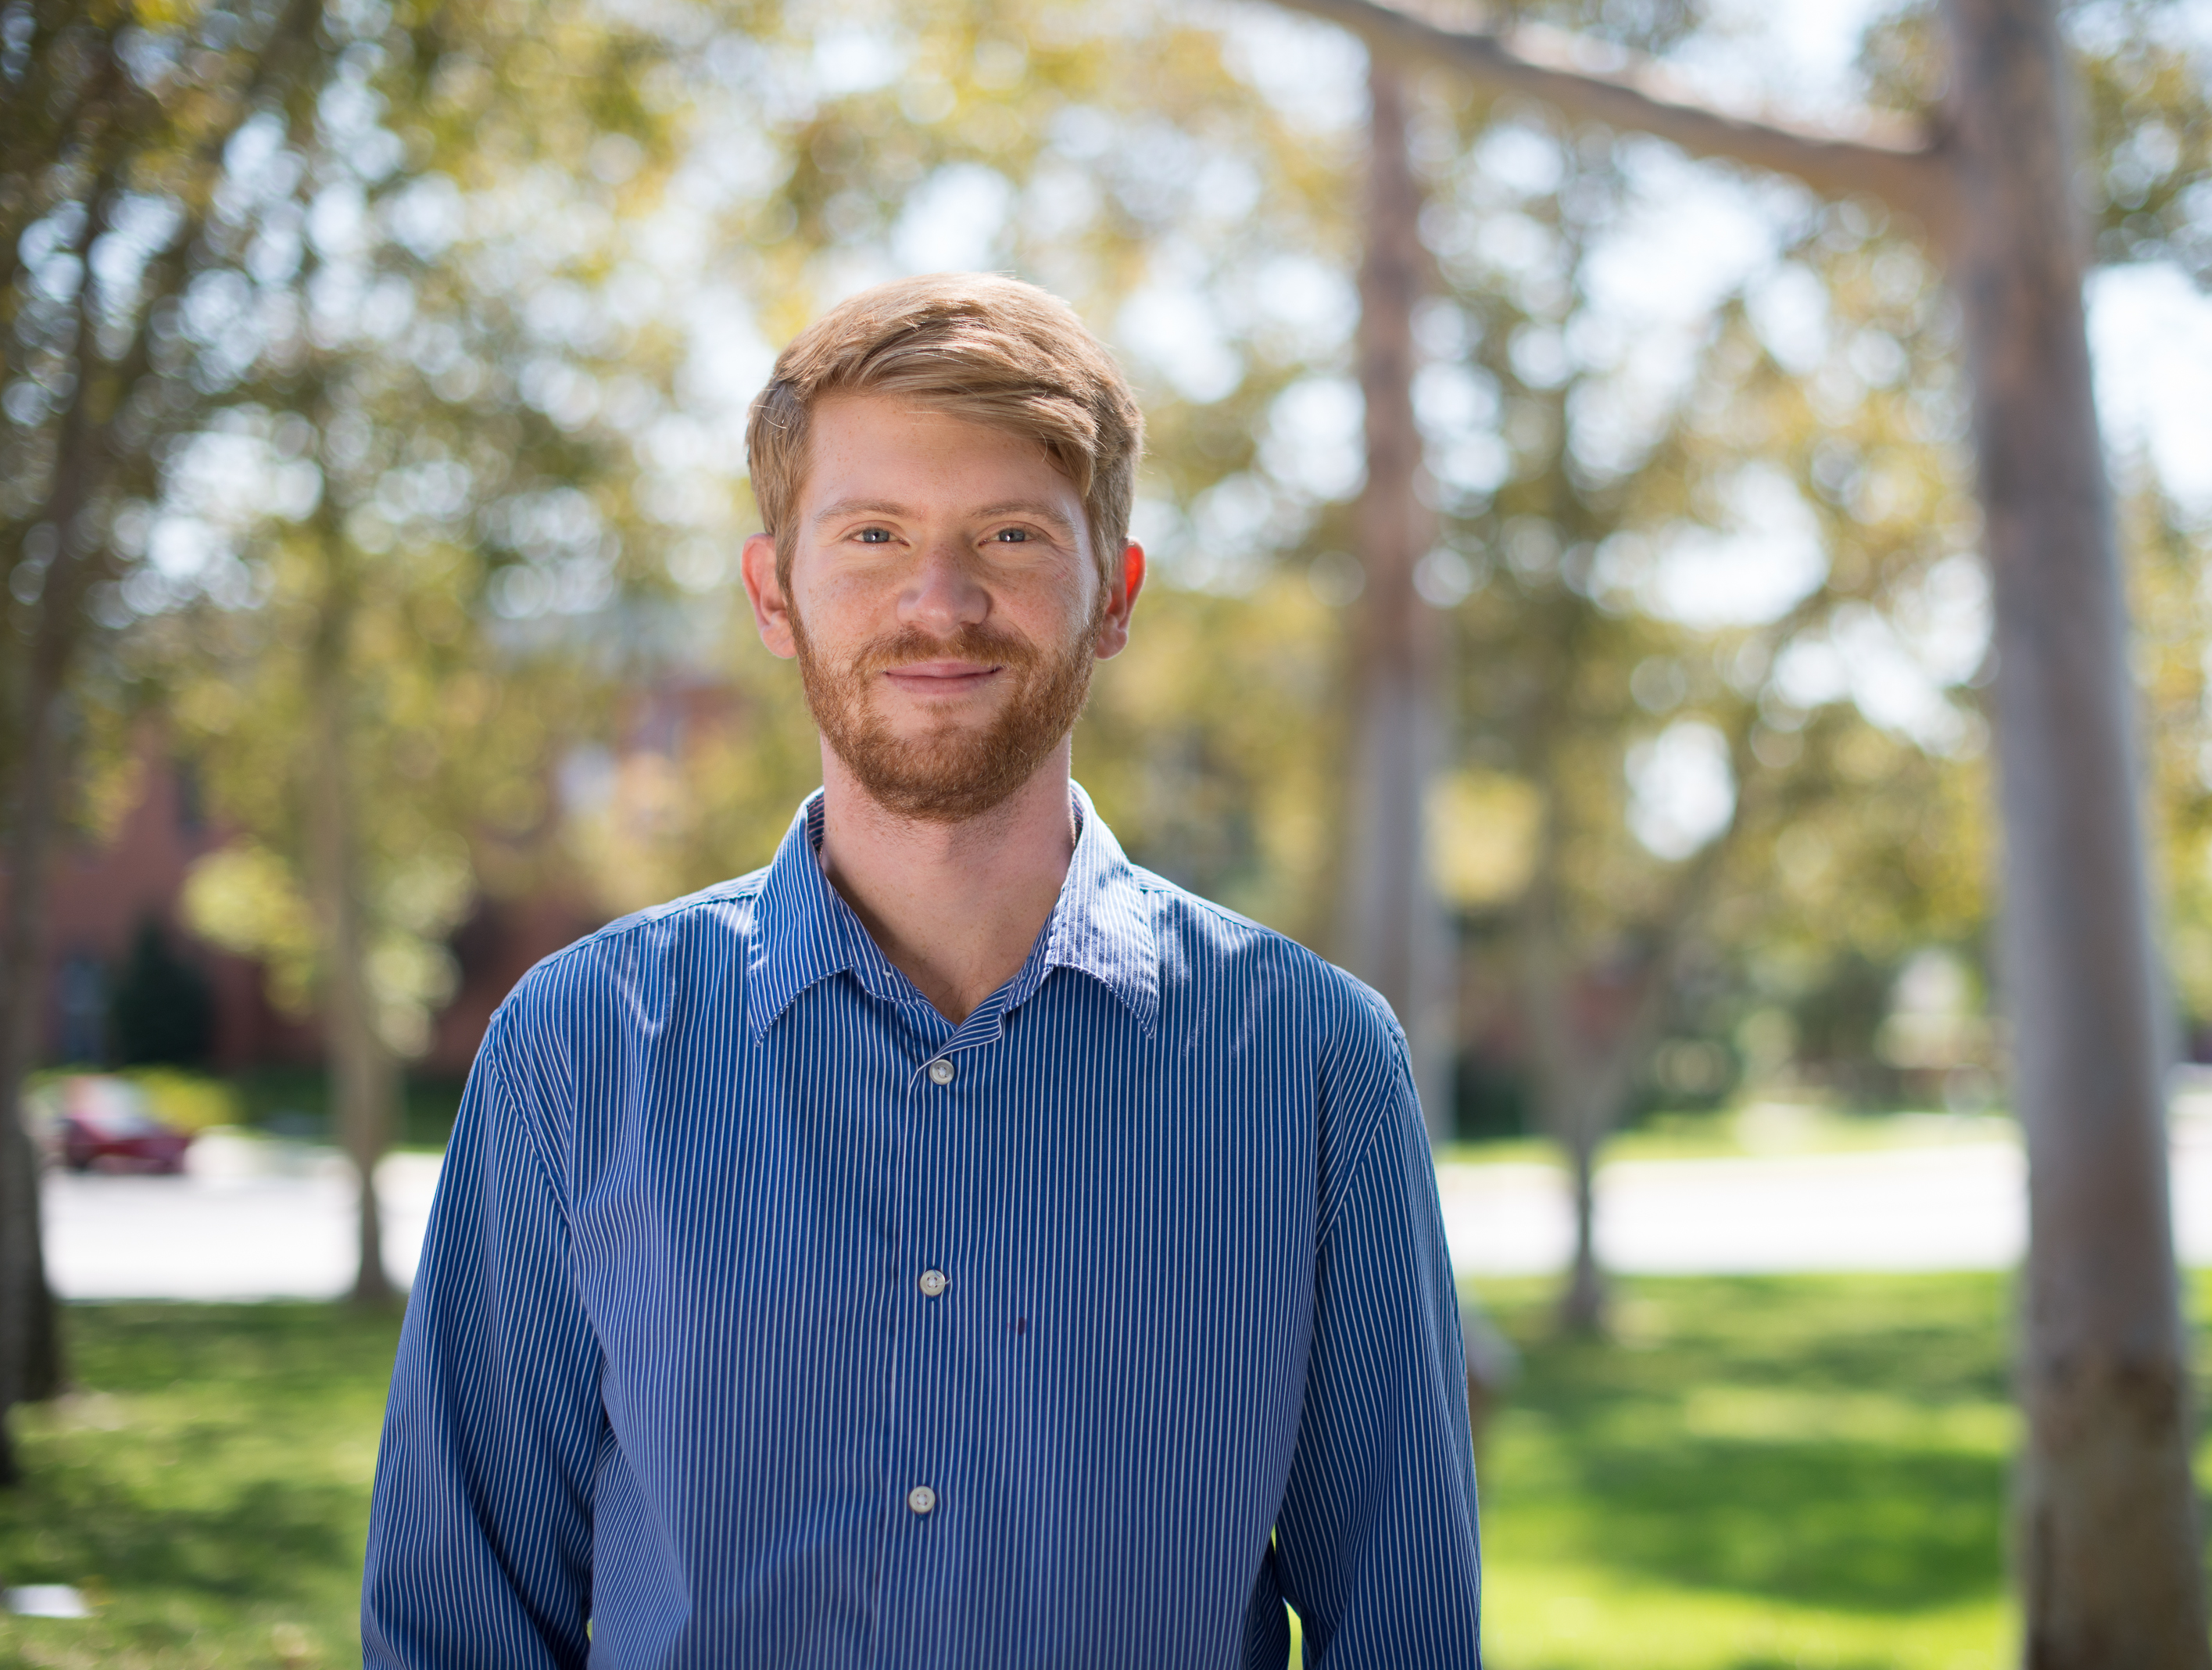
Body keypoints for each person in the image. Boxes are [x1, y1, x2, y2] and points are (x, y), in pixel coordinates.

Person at [361, 273, 1482, 1668]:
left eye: (1009, 534)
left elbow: (1405, 1628)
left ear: (1113, 595)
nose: (938, 602)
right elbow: (458, 1625)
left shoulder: (1314, 1064)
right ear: (775, 594)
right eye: (873, 534)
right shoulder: (581, 1046)